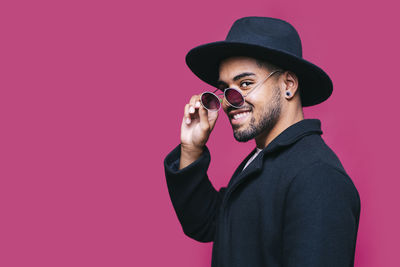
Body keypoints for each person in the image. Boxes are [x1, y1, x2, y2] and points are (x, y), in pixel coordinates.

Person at [163, 16, 361, 267]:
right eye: (224, 90)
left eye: (245, 84)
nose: (228, 102)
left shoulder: (318, 177)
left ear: (288, 85)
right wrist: (191, 149)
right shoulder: (263, 159)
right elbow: (208, 223)